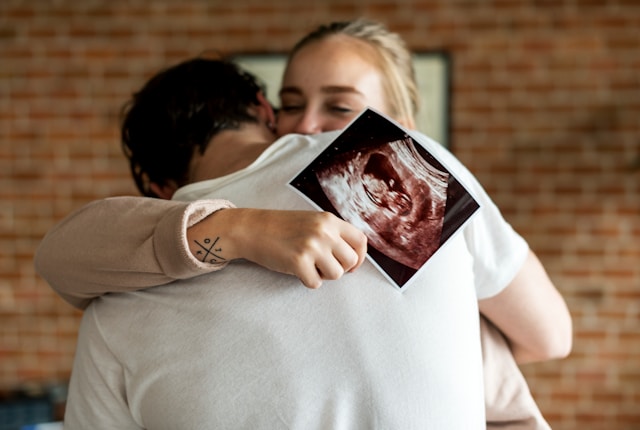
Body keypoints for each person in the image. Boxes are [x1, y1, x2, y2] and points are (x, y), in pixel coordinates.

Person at [35, 21, 571, 428]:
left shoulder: (115, 301)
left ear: (154, 185)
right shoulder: (388, 165)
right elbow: (548, 334)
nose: (310, 128)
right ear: (265, 110)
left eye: (339, 107)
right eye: (294, 105)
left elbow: (58, 258)